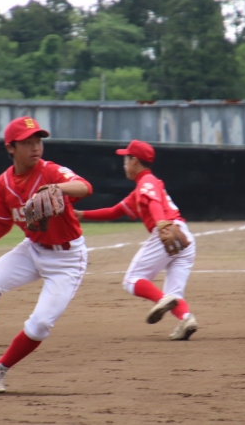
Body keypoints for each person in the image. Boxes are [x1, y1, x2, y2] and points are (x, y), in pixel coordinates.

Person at [0, 116, 92, 393]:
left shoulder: (51, 172)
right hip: (32, 249)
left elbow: (85, 187)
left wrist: (58, 187)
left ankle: (0, 368)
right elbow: (1, 224)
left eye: (38, 141)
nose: (36, 147)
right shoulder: (2, 184)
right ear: (10, 147)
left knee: (40, 325)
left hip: (68, 259)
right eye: (27, 143)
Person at [74, 140, 198, 341]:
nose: (124, 164)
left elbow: (154, 203)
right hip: (184, 238)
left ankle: (163, 300)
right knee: (174, 293)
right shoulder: (143, 187)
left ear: (134, 161)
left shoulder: (147, 182)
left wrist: (161, 224)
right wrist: (81, 214)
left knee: (132, 280)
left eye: (125, 159)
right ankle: (186, 319)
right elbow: (114, 211)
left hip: (168, 231)